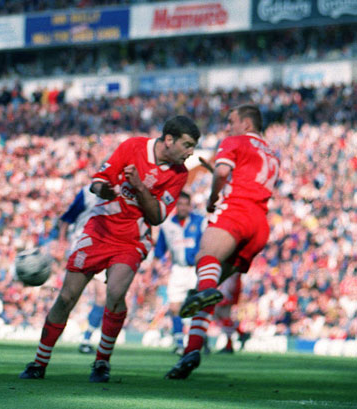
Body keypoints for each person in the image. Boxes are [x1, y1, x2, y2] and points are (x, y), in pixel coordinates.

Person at [19, 116, 201, 383]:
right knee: (67, 297)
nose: (191, 152)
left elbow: (157, 217)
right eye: (187, 145)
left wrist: (139, 186)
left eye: (193, 146)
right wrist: (104, 190)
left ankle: (102, 362)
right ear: (169, 140)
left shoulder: (179, 174)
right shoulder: (132, 147)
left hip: (132, 239)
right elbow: (98, 181)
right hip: (99, 230)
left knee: (115, 294)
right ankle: (39, 362)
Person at [165, 104, 279, 379]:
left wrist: (214, 198)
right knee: (210, 281)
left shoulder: (234, 141)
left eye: (232, 121)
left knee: (204, 259)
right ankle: (192, 349)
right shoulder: (272, 154)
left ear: (247, 124)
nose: (228, 127)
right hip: (260, 225)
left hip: (236, 212)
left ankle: (199, 302)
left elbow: (222, 174)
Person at [153, 192, 207, 355]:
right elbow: (159, 251)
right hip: (177, 269)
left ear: (190, 205)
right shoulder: (168, 225)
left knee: (198, 307)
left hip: (195, 269)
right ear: (176, 206)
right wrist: (158, 267)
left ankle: (200, 341)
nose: (183, 207)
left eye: (186, 204)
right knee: (174, 306)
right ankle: (178, 342)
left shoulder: (200, 221)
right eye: (180, 204)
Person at [56, 186, 107, 355]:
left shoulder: (123, 191)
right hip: (82, 246)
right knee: (69, 296)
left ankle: (86, 339)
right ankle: (52, 337)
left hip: (105, 247)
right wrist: (61, 242)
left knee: (102, 296)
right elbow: (67, 218)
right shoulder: (88, 192)